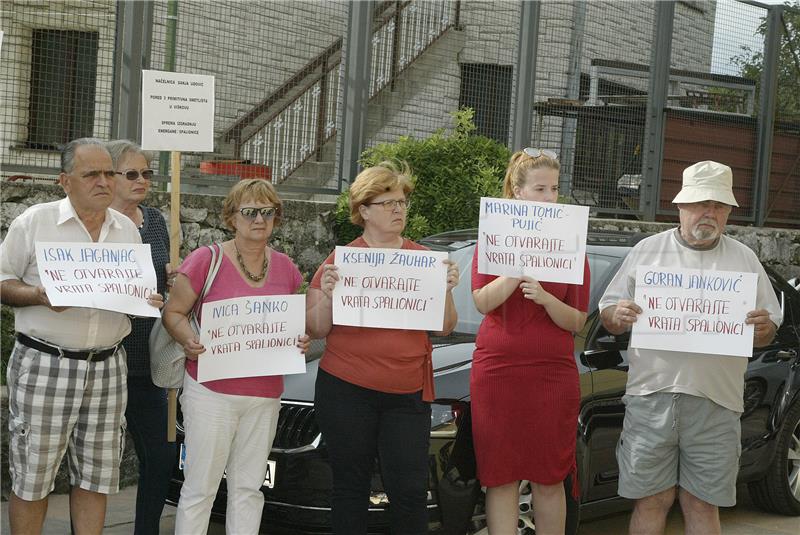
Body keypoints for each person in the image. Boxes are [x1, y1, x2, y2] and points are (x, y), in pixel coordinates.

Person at [598, 160, 782, 535]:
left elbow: (768, 330)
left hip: (717, 403)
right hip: (652, 397)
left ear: (729, 211)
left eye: (718, 206)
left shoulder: (744, 259)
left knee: (702, 504)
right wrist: (617, 315)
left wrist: (763, 328)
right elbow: (608, 314)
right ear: (680, 206)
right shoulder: (648, 251)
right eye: (701, 204)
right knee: (651, 500)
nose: (709, 213)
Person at [0, 138, 163, 535]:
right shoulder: (35, 222)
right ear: (65, 181)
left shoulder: (125, 229)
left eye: (109, 172)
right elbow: (2, 281)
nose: (104, 181)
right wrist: (37, 295)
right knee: (34, 476)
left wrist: (146, 298)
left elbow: (130, 292)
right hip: (45, 363)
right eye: (91, 174)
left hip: (108, 366)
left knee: (97, 475)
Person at [306, 161, 460, 534]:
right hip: (346, 389)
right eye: (388, 202)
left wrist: (446, 289)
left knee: (408, 490)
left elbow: (444, 326)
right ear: (364, 211)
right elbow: (315, 327)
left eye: (402, 203)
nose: (398, 210)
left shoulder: (423, 260)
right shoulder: (340, 260)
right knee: (349, 487)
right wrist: (326, 295)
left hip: (406, 393)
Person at [162, 179, 311, 535]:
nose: (259, 219)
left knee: (249, 489)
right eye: (249, 212)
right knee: (200, 489)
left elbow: (288, 323)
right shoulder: (205, 260)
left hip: (264, 396)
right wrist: (189, 339)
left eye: (268, 212)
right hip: (211, 392)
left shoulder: (287, 268)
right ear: (232, 217)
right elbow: (173, 313)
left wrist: (298, 339)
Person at [470, 148, 590, 534]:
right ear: (518, 192)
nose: (549, 197)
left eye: (554, 188)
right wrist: (514, 271)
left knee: (549, 476)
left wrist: (547, 298)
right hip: (497, 371)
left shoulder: (572, 243)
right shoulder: (493, 239)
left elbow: (578, 320)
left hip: (552, 374)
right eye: (539, 188)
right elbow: (481, 302)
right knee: (500, 476)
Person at [106, 139, 176, 535]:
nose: (142, 180)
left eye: (147, 173)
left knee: (161, 454)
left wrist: (171, 286)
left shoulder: (154, 220)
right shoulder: (94, 225)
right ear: (109, 177)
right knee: (95, 457)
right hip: (105, 358)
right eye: (131, 173)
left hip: (149, 360)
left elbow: (164, 279)